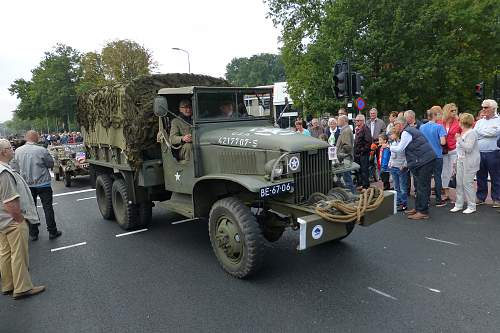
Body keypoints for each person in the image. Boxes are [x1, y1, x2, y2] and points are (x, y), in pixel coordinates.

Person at [0, 139, 45, 299]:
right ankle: (22, 288)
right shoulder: (4, 172)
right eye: (10, 148)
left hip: (2, 221)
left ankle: (8, 285)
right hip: (12, 221)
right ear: (4, 152)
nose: (13, 150)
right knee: (19, 254)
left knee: (5, 253)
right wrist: (19, 220)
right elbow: (10, 201)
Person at [13, 131, 62, 241]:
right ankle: (52, 231)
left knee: (30, 208)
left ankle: (33, 233)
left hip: (27, 185)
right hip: (43, 183)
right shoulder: (42, 150)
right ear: (36, 138)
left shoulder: (18, 151)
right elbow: (50, 164)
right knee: (48, 207)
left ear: (26, 138)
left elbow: (15, 168)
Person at [390, 117, 436, 220]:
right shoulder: (409, 130)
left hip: (424, 160)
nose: (394, 127)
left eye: (395, 125)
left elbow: (400, 148)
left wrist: (388, 147)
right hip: (423, 160)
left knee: (422, 186)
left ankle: (423, 211)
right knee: (419, 185)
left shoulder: (406, 132)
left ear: (400, 125)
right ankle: (418, 208)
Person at [450, 113, 480, 214]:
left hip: (470, 162)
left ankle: (472, 206)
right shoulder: (462, 132)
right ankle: (458, 204)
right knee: (459, 183)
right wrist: (455, 161)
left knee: (467, 183)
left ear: (463, 122)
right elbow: (458, 149)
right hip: (460, 160)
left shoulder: (472, 133)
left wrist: (459, 139)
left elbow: (469, 148)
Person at [474, 99, 500, 207]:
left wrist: (481, 133)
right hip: (479, 152)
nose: (483, 109)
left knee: (496, 176)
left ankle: (497, 199)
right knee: (480, 176)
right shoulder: (480, 121)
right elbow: (475, 134)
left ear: (493, 108)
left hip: (493, 152)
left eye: (486, 107)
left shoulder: (498, 120)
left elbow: (494, 133)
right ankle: (481, 197)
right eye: (483, 107)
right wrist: (485, 133)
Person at [420, 106, 447, 207]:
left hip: (426, 155)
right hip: (437, 155)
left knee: (426, 177)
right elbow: (443, 142)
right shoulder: (439, 127)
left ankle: (426, 199)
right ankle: (438, 199)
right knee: (437, 177)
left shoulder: (422, 127)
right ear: (435, 115)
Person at [439, 103, 461, 203]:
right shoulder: (440, 122)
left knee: (456, 172)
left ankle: (458, 196)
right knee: (444, 172)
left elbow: (464, 133)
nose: (454, 112)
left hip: (454, 150)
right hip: (443, 150)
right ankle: (446, 194)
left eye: (455, 110)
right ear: (447, 111)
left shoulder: (458, 122)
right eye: (452, 110)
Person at [387, 127, 408, 211]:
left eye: (391, 134)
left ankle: (404, 203)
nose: (390, 136)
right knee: (396, 186)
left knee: (402, 187)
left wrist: (405, 164)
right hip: (394, 166)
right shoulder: (392, 142)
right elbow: (391, 155)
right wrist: (390, 163)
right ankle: (398, 201)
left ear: (396, 134)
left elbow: (407, 155)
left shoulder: (402, 143)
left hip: (401, 167)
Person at [336, 115, 355, 193]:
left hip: (345, 159)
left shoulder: (346, 131)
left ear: (344, 121)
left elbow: (347, 146)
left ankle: (352, 194)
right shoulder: (345, 130)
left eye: (339, 120)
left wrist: (340, 153)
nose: (337, 121)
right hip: (343, 158)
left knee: (347, 178)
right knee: (342, 177)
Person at [366, 108, 386, 182]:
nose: (372, 115)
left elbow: (384, 132)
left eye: (373, 113)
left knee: (379, 160)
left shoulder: (381, 122)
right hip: (369, 144)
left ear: (376, 114)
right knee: (370, 160)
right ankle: (372, 176)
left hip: (378, 143)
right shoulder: (367, 122)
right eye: (371, 113)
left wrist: (380, 138)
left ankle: (381, 175)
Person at [353, 114, 372, 189]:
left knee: (364, 170)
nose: (356, 122)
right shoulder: (357, 128)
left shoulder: (365, 129)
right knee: (358, 170)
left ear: (362, 121)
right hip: (357, 154)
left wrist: (362, 150)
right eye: (356, 120)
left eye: (358, 120)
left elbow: (368, 142)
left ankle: (365, 186)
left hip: (363, 154)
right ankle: (360, 183)